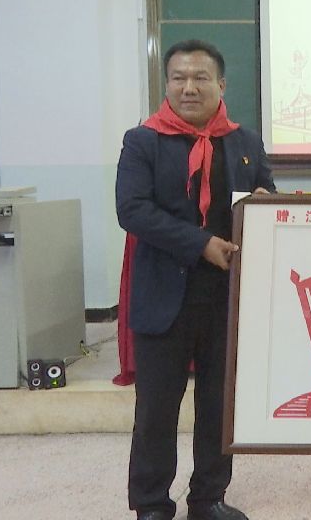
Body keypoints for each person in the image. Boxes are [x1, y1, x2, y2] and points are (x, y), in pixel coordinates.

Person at [116, 39, 275, 520]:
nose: (189, 87)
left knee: (219, 407)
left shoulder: (245, 142)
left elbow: (266, 194)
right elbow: (132, 210)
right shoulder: (142, 140)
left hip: (227, 297)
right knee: (156, 410)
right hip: (163, 295)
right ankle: (151, 504)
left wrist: (267, 202)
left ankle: (208, 498)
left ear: (220, 85)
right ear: (167, 85)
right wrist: (200, 243)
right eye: (179, 78)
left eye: (200, 78)